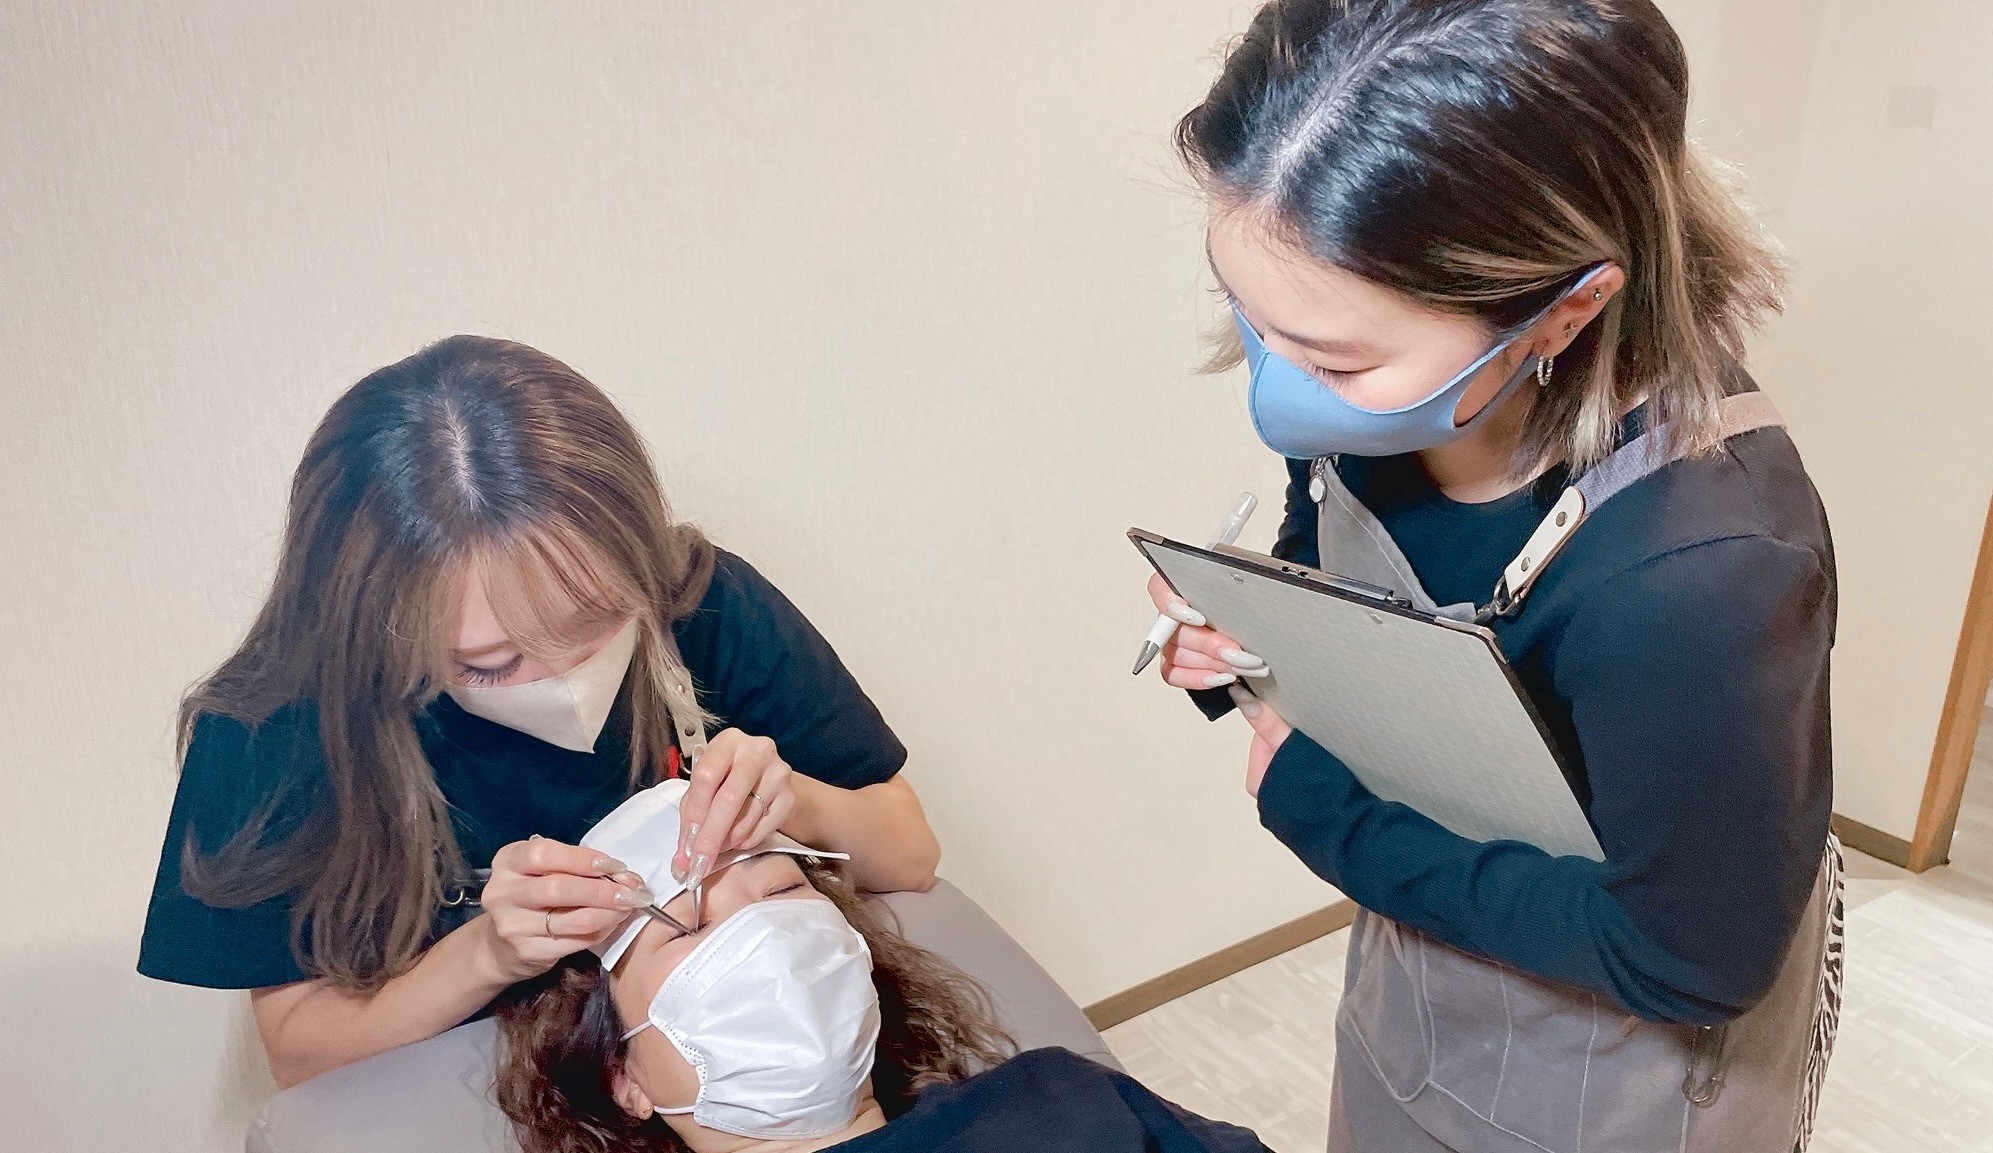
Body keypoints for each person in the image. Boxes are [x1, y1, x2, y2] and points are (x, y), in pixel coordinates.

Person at [1144, 3, 1840, 1151]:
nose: (1278, 392)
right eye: (1253, 321)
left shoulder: (1701, 575)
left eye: (1331, 358)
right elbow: (1346, 586)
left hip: (1614, 1072)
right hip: (1424, 973)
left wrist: (1322, 808)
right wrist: (1248, 640)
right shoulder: (1385, 399)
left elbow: (1690, 955)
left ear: (1562, 309)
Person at [137, 336, 941, 1088]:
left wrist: (795, 804)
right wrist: (487, 953)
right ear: (382, 630)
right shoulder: (275, 729)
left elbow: (907, 853)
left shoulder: (703, 602)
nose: (566, 678)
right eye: (493, 661)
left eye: (596, 620)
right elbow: (300, 1052)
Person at [493, 780, 1267, 1153]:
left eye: (785, 889)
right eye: (690, 925)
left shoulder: (1056, 1093)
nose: (770, 943)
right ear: (623, 1077)